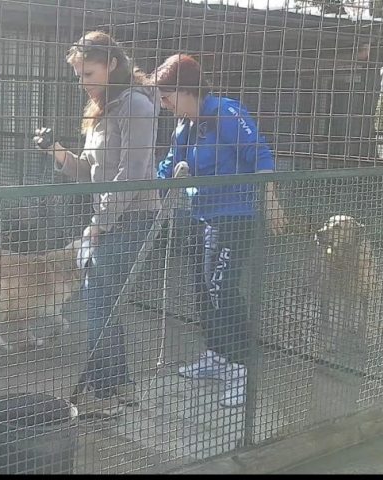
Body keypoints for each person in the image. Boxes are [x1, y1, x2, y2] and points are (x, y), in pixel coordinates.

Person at [33, 31, 161, 414]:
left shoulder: (137, 105)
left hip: (134, 217)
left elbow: (132, 172)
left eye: (88, 73)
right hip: (110, 216)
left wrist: (100, 223)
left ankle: (111, 387)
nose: (82, 82)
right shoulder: (103, 109)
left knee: (99, 300)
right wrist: (54, 149)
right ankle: (115, 385)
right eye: (79, 75)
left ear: (112, 65)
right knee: (99, 301)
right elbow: (88, 170)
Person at [151, 53, 287, 408]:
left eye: (167, 97)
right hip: (202, 217)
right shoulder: (184, 127)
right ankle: (216, 356)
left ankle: (242, 369)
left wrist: (271, 201)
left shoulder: (225, 112)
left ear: (186, 90)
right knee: (203, 291)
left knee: (223, 290)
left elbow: (260, 155)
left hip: (235, 216)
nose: (164, 105)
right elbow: (167, 167)